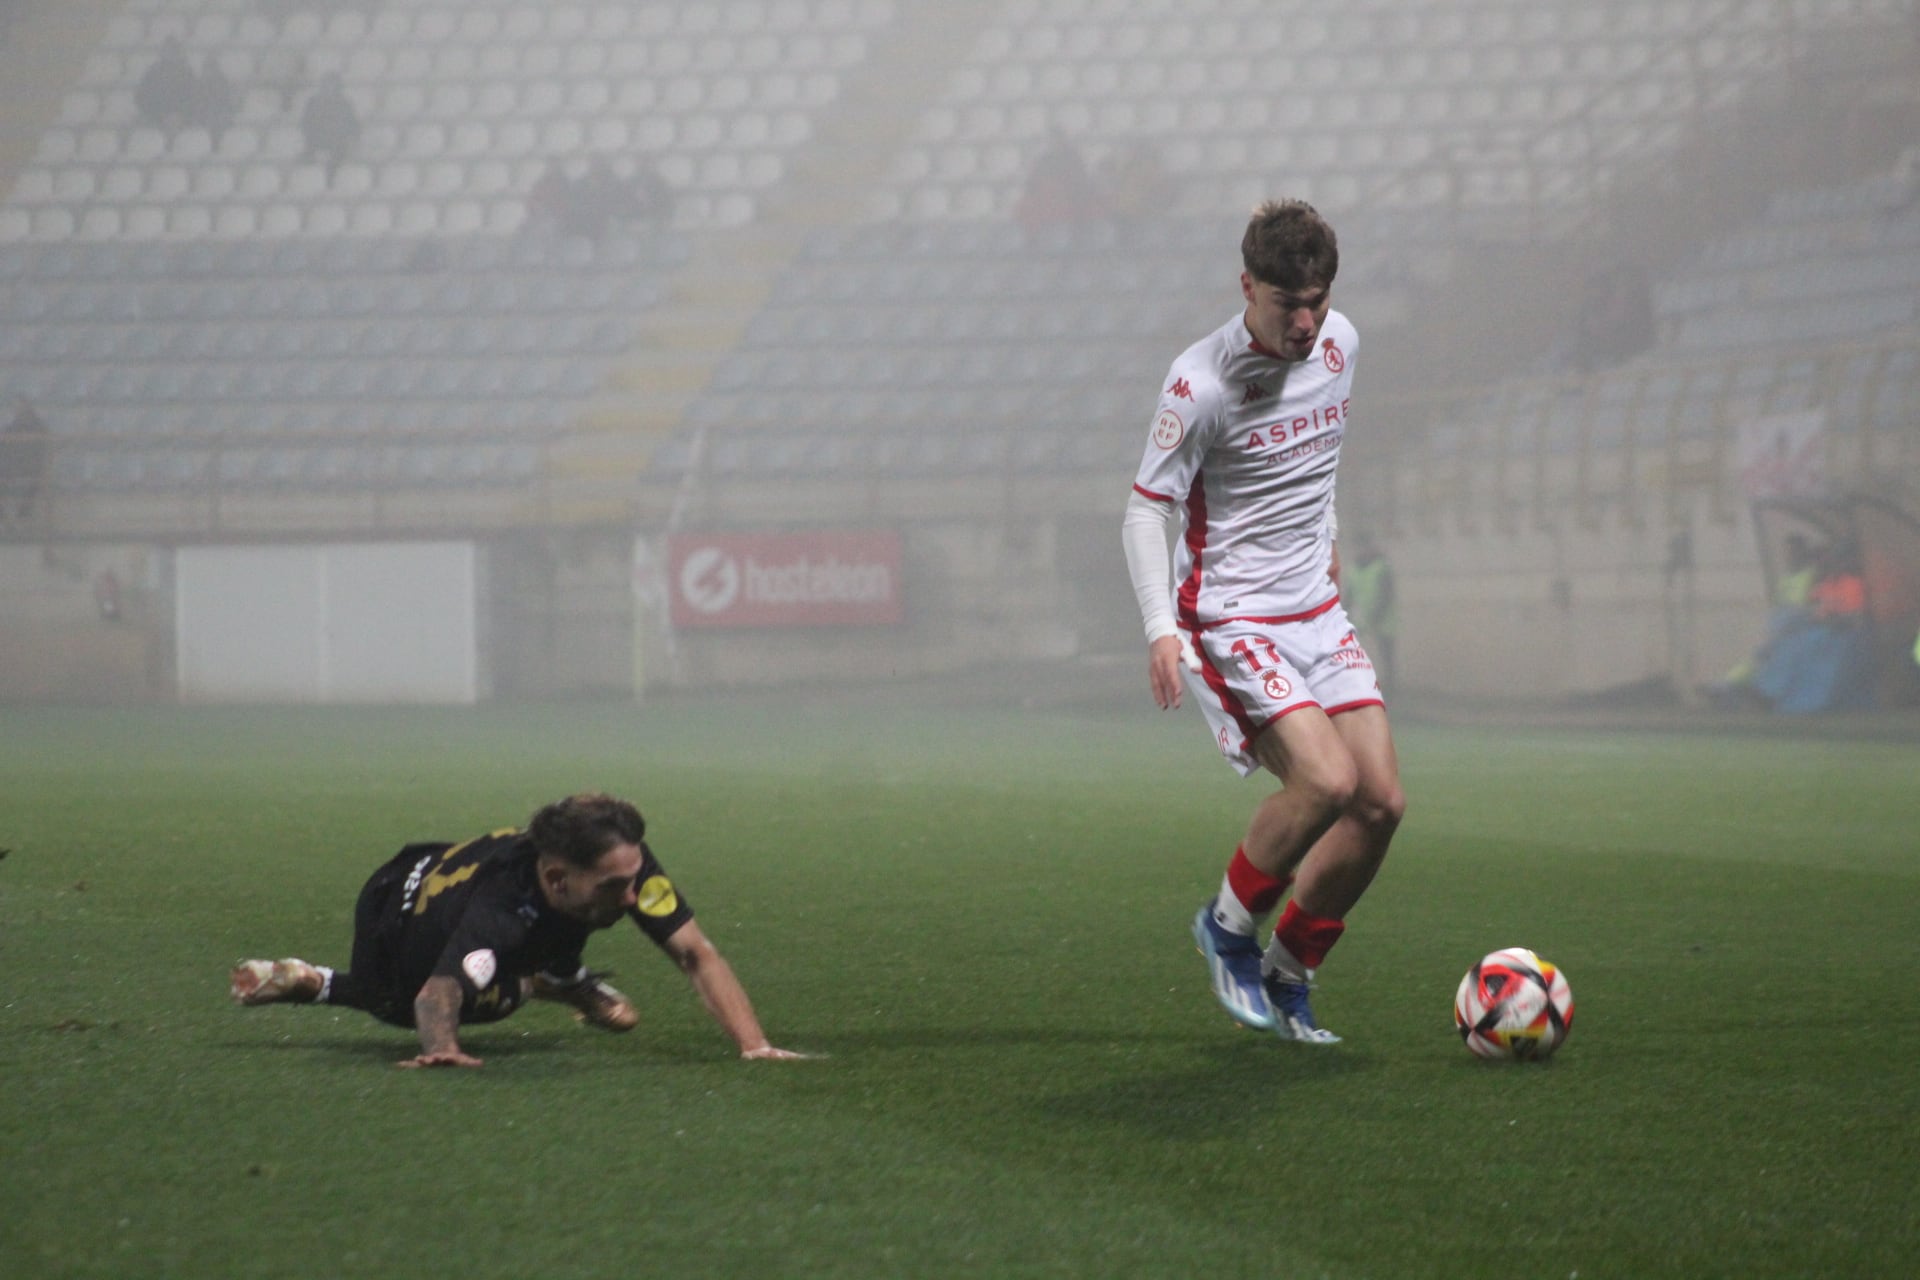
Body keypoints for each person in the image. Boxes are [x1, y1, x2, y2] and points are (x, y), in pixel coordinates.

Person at [1121, 200, 1406, 1043]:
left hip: (1316, 609)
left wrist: (1331, 538)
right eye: (1289, 303)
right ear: (1247, 287)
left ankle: (1290, 969)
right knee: (1326, 783)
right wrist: (1158, 629)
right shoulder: (1199, 382)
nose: (1307, 321)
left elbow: (1317, 461)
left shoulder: (1342, 344)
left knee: (1382, 803)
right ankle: (1227, 927)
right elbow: (1146, 511)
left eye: (1318, 299)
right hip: (1232, 614)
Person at [230, 792, 806, 1067]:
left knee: (576, 915)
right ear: (556, 877)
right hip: (396, 908)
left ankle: (558, 973)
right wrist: (443, 1050)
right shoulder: (500, 911)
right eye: (614, 885)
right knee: (411, 1002)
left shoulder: (614, 859)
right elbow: (439, 993)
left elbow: (695, 954)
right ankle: (326, 982)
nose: (632, 896)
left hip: (478, 882)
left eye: (634, 876)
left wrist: (755, 1044)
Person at [1340, 535, 1397, 690]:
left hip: (1384, 620)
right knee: (1358, 652)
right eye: (1357, 548)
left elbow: (1387, 594)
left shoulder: (1382, 567)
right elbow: (1349, 596)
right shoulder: (1353, 569)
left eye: (1364, 547)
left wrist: (1375, 617)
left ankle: (1389, 685)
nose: (1360, 551)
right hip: (1361, 620)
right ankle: (1363, 683)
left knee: (1385, 655)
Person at [299, 71, 361, 184]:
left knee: (338, 154)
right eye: (326, 85)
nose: (329, 88)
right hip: (317, 138)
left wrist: (348, 136)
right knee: (306, 158)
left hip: (337, 140)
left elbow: (352, 124)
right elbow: (306, 123)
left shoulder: (345, 104)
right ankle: (307, 181)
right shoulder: (313, 102)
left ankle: (330, 182)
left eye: (333, 85)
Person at [1, 396, 49, 524]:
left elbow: (44, 445)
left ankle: (23, 515)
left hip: (32, 466)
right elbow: (5, 445)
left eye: (20, 406)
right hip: (13, 466)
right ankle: (4, 518)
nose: (17, 409)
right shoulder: (12, 426)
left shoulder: (38, 426)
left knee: (34, 484)